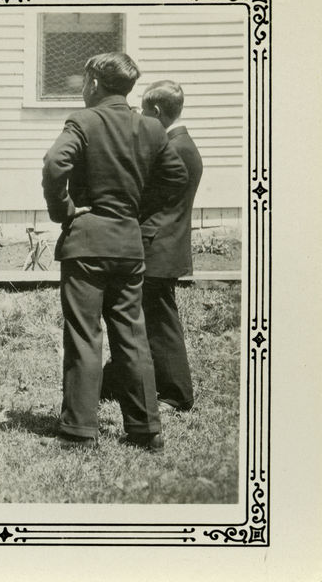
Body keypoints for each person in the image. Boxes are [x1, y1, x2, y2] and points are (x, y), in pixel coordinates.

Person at [42, 53, 188, 452]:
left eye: (84, 81)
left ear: (93, 83)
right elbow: (176, 177)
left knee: (84, 335)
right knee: (132, 335)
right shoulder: (152, 127)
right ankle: (146, 430)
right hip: (129, 244)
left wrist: (65, 210)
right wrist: (135, 208)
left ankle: (79, 430)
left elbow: (55, 163)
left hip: (87, 244)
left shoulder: (83, 121)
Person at [103, 80, 203, 411]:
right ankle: (114, 383)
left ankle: (177, 394)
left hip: (158, 248)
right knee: (143, 319)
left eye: (145, 112)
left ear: (157, 112)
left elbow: (142, 193)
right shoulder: (183, 144)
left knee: (160, 323)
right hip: (164, 245)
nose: (143, 118)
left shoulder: (173, 149)